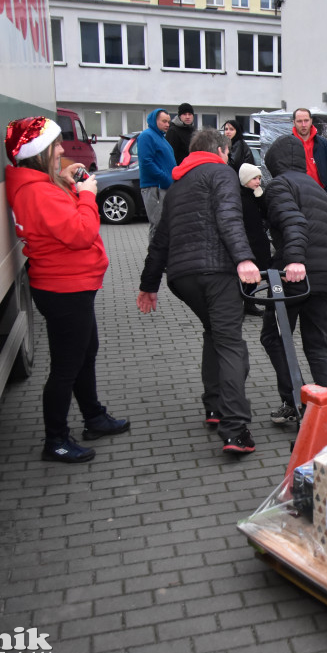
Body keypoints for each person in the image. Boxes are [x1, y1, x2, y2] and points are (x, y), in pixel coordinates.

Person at [3, 116, 130, 463]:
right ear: (39, 151)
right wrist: (88, 195)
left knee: (86, 352)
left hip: (71, 286)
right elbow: (79, 234)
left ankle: (93, 417)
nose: (62, 149)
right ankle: (56, 439)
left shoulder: (40, 185)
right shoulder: (37, 191)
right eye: (56, 144)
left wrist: (66, 183)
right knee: (66, 366)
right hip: (64, 289)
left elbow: (61, 218)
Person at [136, 129, 262, 455]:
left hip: (182, 279)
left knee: (214, 334)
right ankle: (234, 431)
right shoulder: (222, 173)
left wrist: (149, 284)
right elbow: (228, 216)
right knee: (231, 344)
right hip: (217, 272)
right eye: (228, 152)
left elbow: (159, 239)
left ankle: (214, 407)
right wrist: (244, 258)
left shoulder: (177, 186)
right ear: (220, 150)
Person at [260, 135, 327, 424]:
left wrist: (296, 259)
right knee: (319, 346)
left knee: (274, 337)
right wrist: (323, 262)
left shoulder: (279, 186)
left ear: (275, 162)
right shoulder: (319, 190)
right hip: (322, 279)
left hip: (293, 275)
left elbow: (294, 223)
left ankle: (293, 401)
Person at [238, 162, 272, 317]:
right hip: (246, 241)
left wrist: (260, 197)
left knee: (257, 274)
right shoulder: (239, 196)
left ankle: (249, 303)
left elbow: (266, 214)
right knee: (244, 277)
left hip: (258, 241)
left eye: (259, 178)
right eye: (254, 179)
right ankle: (240, 304)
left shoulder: (257, 194)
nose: (258, 181)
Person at [138, 108, 176, 240]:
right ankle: (154, 258)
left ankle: (161, 257)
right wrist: (165, 179)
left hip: (164, 186)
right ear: (155, 121)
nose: (167, 124)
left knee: (164, 225)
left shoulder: (161, 138)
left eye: (168, 122)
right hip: (155, 187)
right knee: (158, 225)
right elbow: (146, 162)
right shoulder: (146, 136)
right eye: (164, 121)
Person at [291, 108, 327, 195]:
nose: (303, 124)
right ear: (294, 122)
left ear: (311, 121)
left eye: (306, 120)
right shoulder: (288, 144)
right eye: (299, 121)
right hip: (298, 196)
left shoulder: (322, 143)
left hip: (321, 195)